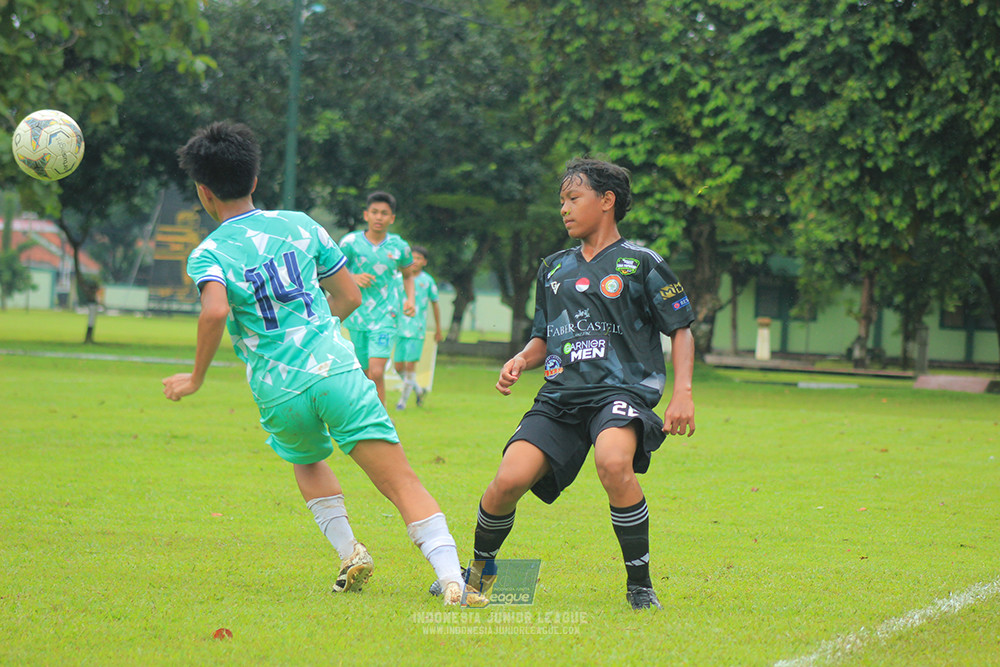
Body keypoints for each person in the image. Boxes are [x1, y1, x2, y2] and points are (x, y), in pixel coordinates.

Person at [162, 121, 479, 606]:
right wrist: (311, 330)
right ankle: (450, 577)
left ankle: (350, 550)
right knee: (400, 480)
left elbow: (215, 311)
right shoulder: (301, 224)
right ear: (253, 180)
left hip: (277, 388)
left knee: (306, 460)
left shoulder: (209, 252)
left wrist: (197, 377)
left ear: (203, 192)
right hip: (336, 371)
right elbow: (348, 295)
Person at [438, 158, 696, 611]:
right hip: (559, 400)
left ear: (607, 201)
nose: (564, 209)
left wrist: (683, 394)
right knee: (506, 481)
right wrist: (521, 358)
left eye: (574, 199)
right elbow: (545, 336)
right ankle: (477, 575)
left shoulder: (642, 263)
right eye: (562, 201)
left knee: (614, 462)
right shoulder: (553, 269)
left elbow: (681, 328)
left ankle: (640, 587)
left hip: (620, 395)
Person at [338, 192, 416, 408]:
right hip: (357, 316)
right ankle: (369, 414)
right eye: (374, 212)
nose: (379, 217)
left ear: (392, 218)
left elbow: (408, 276)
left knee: (377, 370)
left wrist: (410, 300)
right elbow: (334, 273)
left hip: (386, 315)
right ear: (366, 215)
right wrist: (353, 277)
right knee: (365, 373)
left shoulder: (400, 246)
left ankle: (383, 421)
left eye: (384, 213)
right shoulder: (350, 243)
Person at [393, 245, 443, 410]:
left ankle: (402, 402)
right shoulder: (398, 278)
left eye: (419, 258)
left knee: (410, 366)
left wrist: (438, 329)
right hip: (399, 328)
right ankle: (418, 389)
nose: (415, 261)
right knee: (398, 367)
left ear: (425, 262)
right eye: (412, 257)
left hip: (417, 330)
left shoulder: (427, 281)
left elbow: (435, 304)